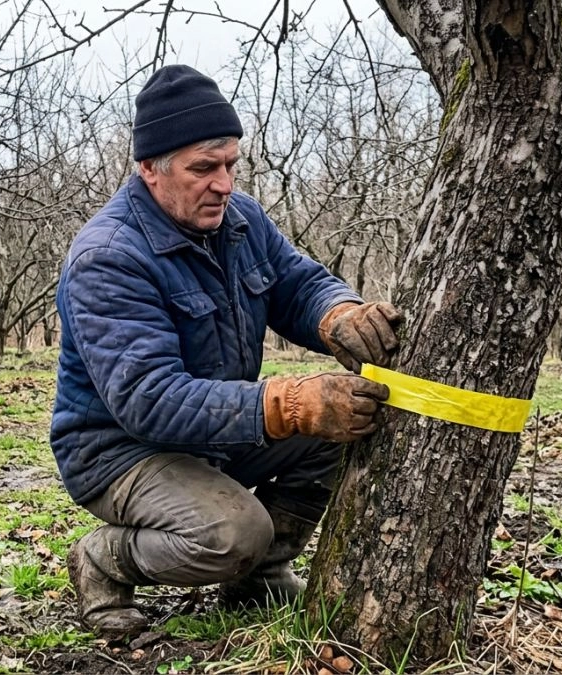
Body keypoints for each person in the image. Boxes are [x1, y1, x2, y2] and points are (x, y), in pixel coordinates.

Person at [50, 64, 402, 638]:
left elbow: (296, 284)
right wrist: (288, 404)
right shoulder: (108, 258)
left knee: (344, 431)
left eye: (231, 165)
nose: (224, 184)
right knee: (233, 533)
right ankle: (103, 559)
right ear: (150, 168)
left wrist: (340, 314)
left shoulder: (240, 220)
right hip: (120, 451)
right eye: (204, 168)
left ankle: (259, 578)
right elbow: (149, 400)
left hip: (213, 436)